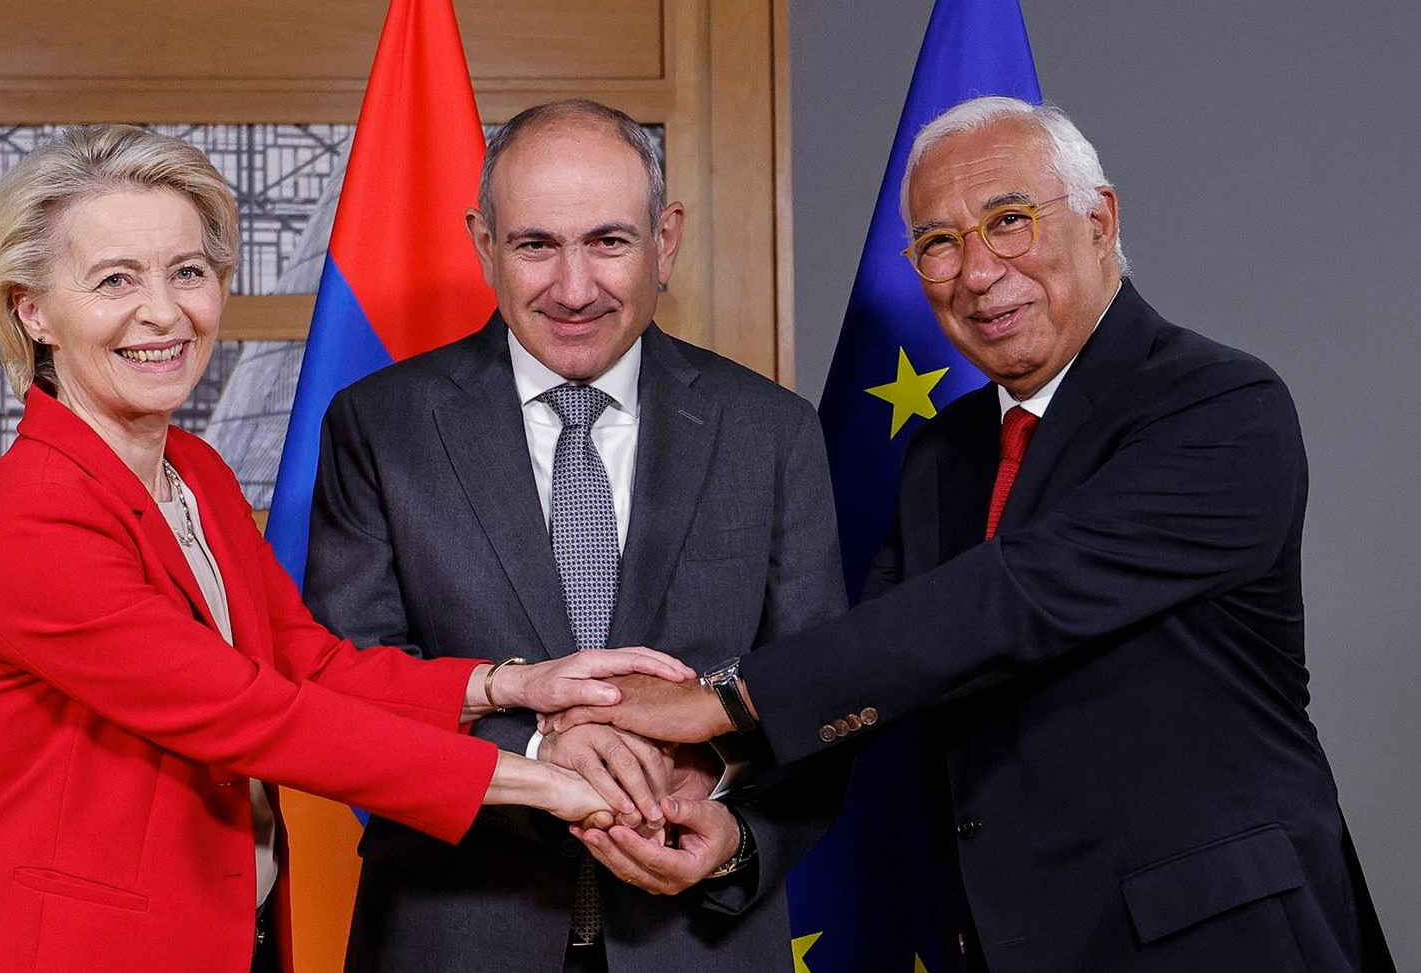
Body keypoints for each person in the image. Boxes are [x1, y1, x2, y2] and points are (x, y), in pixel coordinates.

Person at [546, 97, 1394, 973]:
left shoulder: (1220, 406)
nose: (978, 272)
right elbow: (880, 664)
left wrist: (722, 697)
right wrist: (725, 794)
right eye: (938, 242)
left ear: (1100, 220)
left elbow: (1011, 597)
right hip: (1004, 942)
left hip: (1217, 941)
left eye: (1010, 220)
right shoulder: (945, 451)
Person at [0, 124, 697, 973]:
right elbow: (248, 712)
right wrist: (542, 774)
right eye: (116, 279)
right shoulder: (38, 516)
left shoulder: (194, 471)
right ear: (32, 310)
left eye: (188, 271)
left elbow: (307, 663)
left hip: (230, 938)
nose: (165, 312)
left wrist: (509, 683)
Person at [302, 100, 847, 973]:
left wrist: (738, 835)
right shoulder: (380, 426)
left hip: (699, 941)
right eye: (535, 245)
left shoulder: (771, 432)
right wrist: (533, 750)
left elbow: (821, 694)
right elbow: (347, 685)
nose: (574, 288)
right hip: (453, 933)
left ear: (665, 239)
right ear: (484, 244)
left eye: (608, 241)